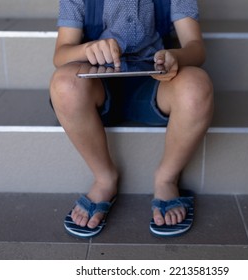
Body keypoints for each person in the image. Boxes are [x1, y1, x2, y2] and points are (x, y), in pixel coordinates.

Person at [50, 0, 214, 238]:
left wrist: (176, 56)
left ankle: (166, 179)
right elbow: (61, 54)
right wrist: (87, 50)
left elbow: (196, 48)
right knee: (64, 83)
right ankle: (104, 178)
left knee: (197, 85)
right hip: (97, 86)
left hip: (156, 87)